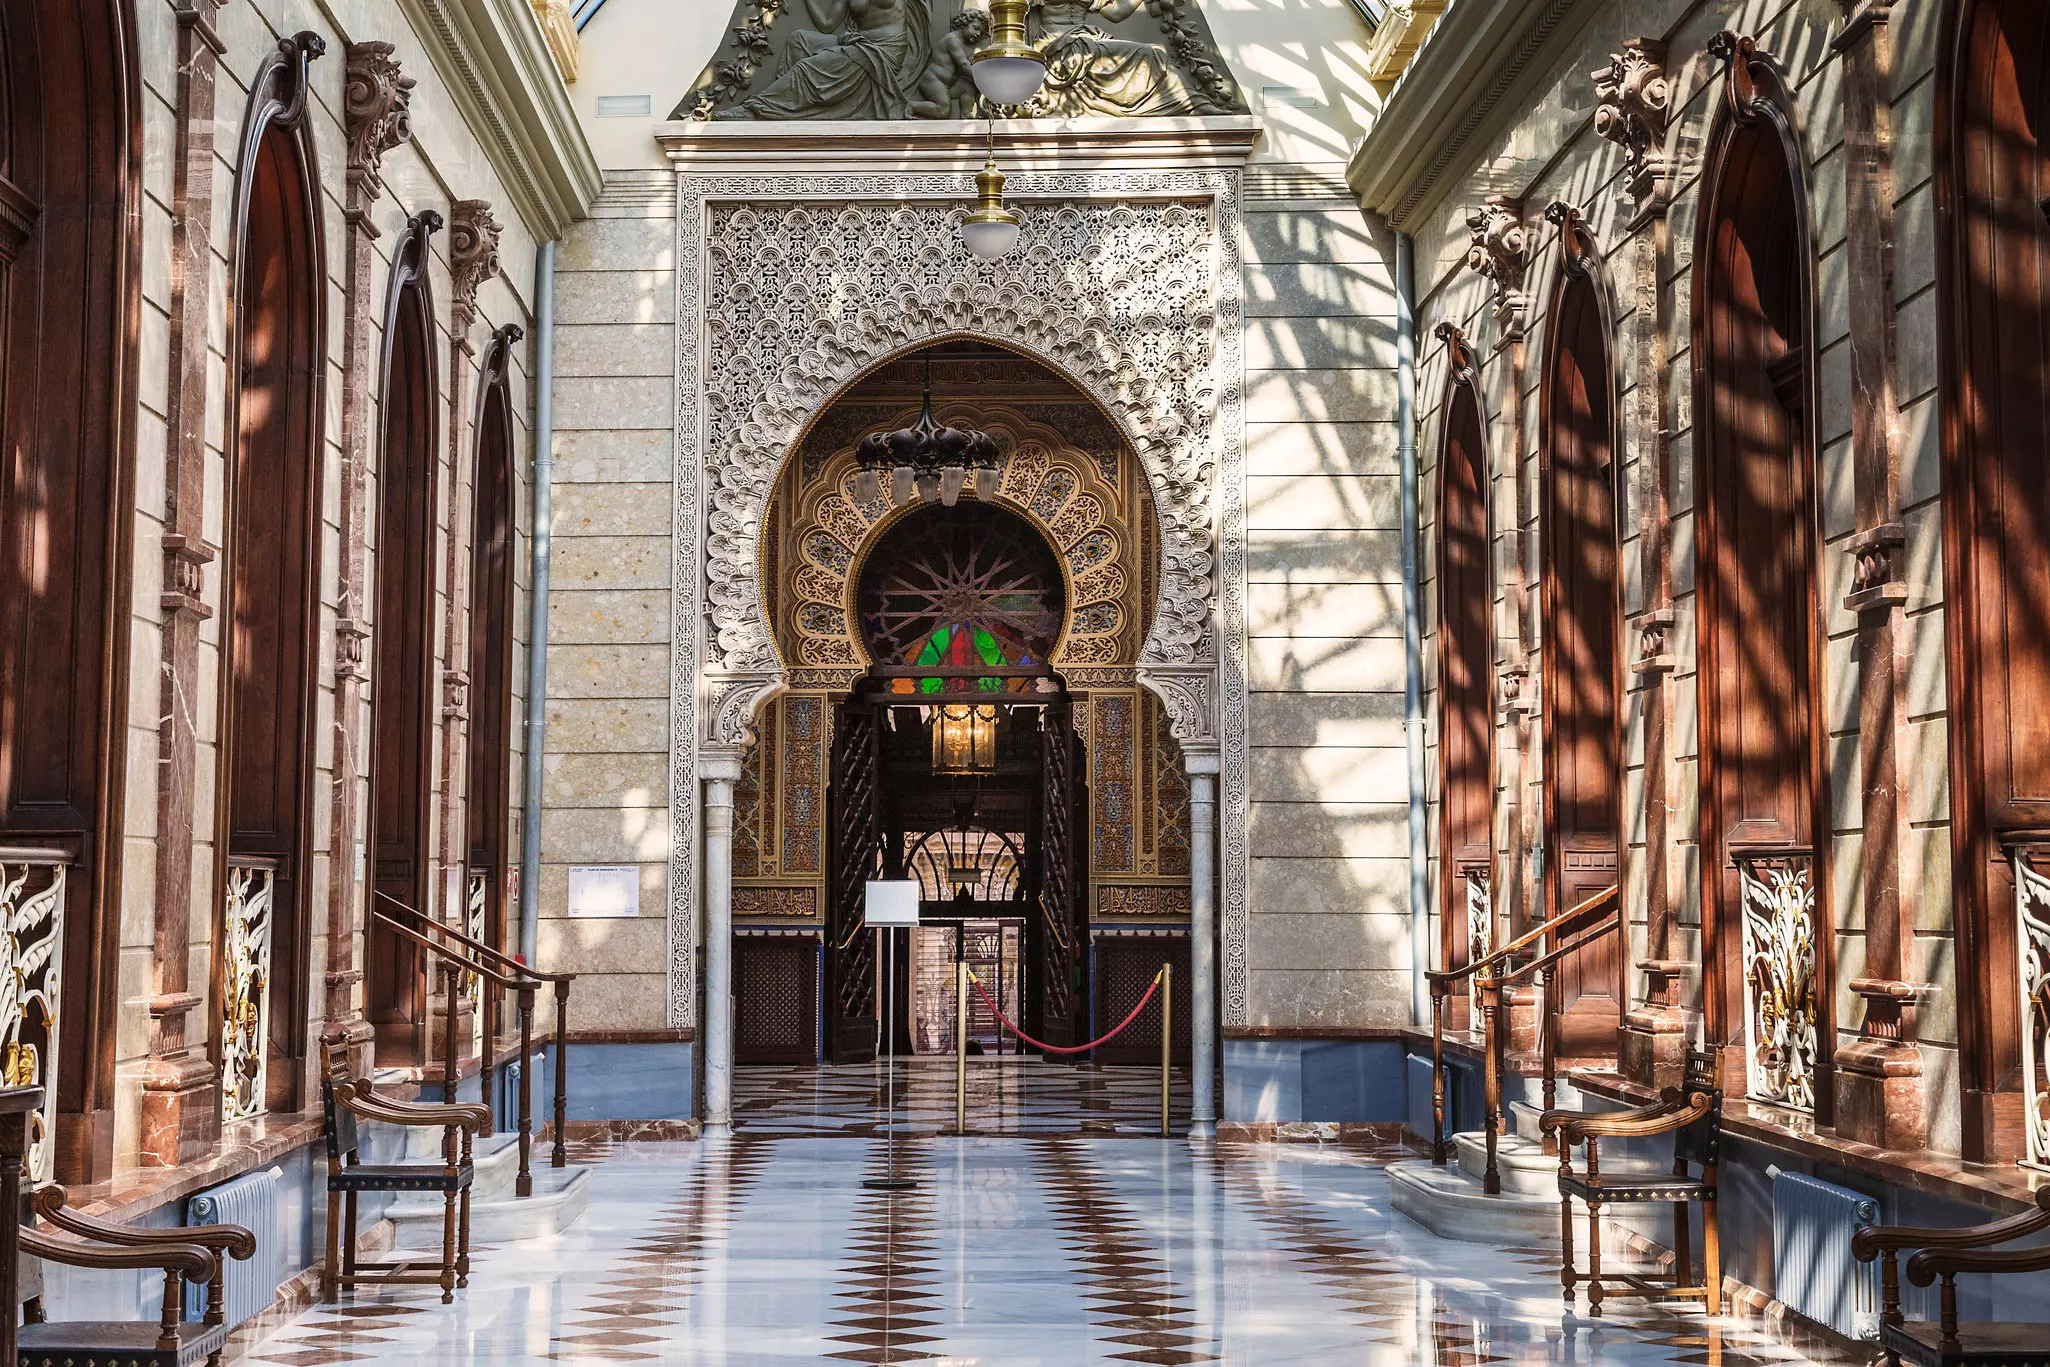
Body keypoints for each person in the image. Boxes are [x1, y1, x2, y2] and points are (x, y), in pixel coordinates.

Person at [715, 0, 931, 120]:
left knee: (805, 69)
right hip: (857, 43)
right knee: (798, 40)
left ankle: (756, 109)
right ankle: (790, 105)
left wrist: (858, 38)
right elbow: (827, 24)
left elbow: (895, 31)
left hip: (883, 51)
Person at [908, 8, 991, 118]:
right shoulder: (952, 40)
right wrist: (982, 82)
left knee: (967, 84)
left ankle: (965, 114)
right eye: (975, 28)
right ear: (964, 23)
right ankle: (912, 106)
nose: (977, 34)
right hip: (933, 81)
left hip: (949, 85)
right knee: (943, 110)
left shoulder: (965, 45)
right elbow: (963, 65)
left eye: (980, 33)